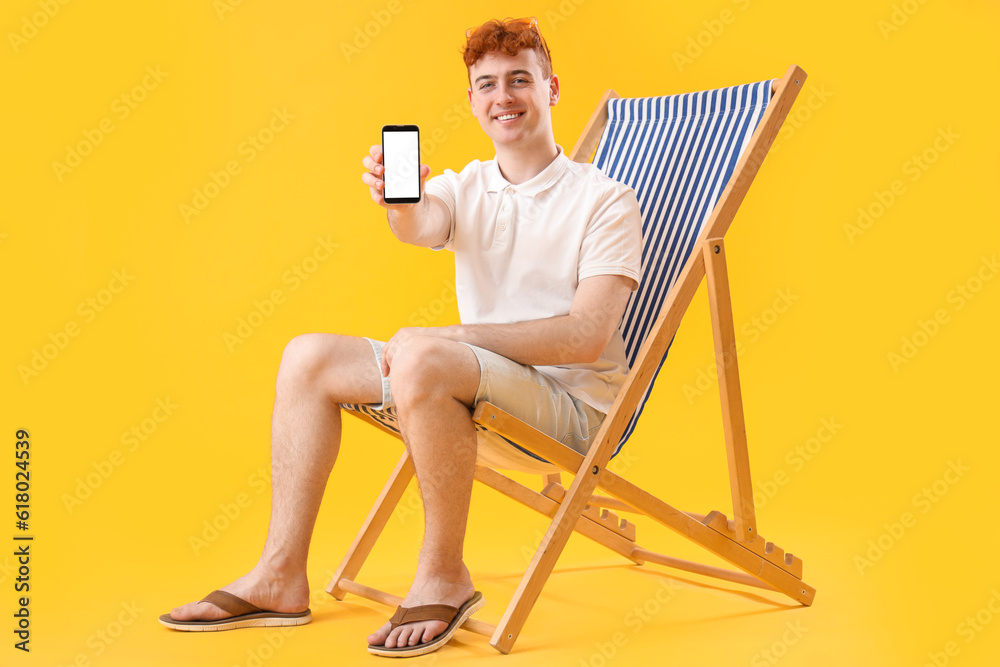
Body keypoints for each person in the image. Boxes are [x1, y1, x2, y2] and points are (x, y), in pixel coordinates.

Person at [159, 17, 642, 658]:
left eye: (520, 79)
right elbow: (421, 224)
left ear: (552, 89)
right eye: (487, 85)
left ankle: (444, 573)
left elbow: (585, 337)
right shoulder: (464, 186)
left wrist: (452, 338)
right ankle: (279, 574)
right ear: (471, 102)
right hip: (471, 383)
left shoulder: (606, 199)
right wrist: (398, 199)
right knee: (308, 357)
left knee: (424, 356)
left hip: (571, 412)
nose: (505, 97)